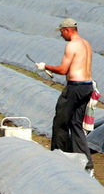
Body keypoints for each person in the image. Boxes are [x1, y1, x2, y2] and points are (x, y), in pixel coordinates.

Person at [35, 18, 93, 171]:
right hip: (87, 87)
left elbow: (62, 70)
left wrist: (44, 66)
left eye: (61, 32)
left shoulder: (72, 45)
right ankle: (86, 164)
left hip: (75, 88)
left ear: (67, 30)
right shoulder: (86, 43)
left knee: (60, 123)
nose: (61, 35)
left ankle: (59, 158)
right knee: (76, 125)